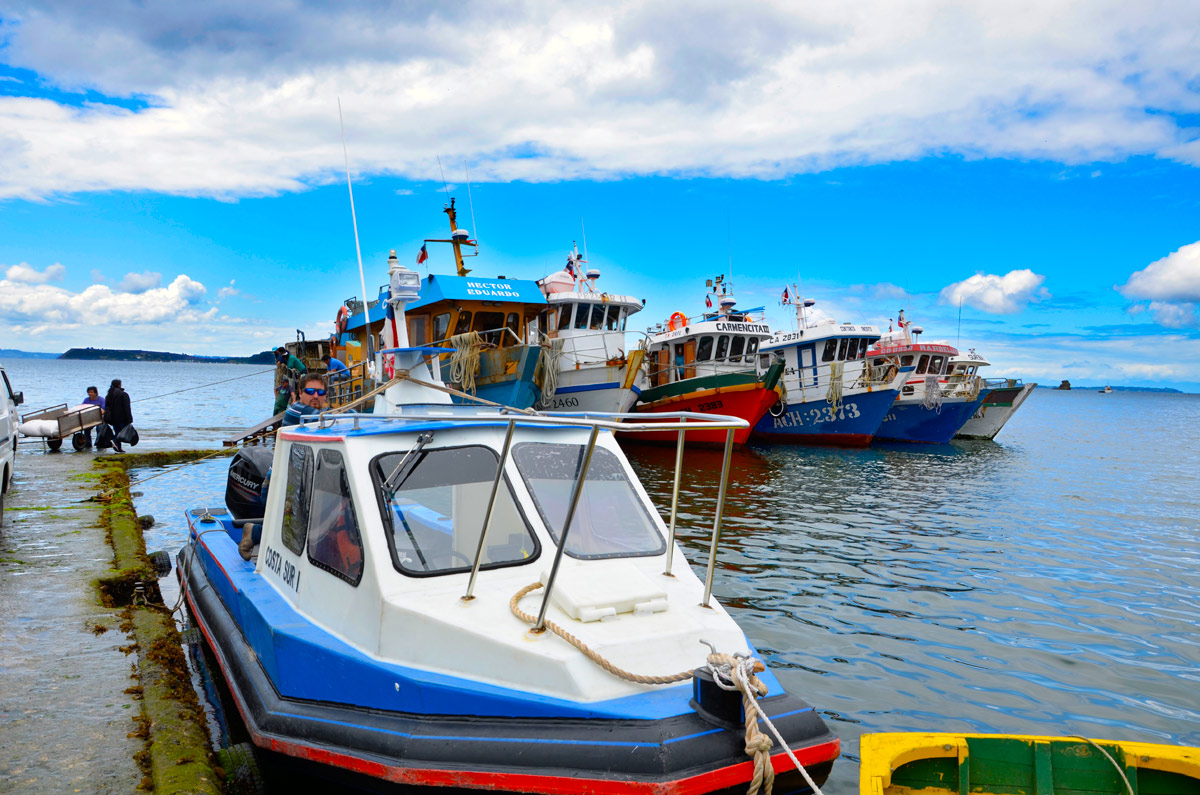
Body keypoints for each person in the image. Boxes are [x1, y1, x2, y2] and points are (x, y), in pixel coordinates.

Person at [104, 379, 133, 453]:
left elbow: (107, 407)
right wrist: (130, 418)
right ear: (119, 385)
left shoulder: (109, 395)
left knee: (117, 432)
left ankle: (118, 448)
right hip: (122, 418)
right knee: (121, 433)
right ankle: (114, 441)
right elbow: (127, 408)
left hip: (112, 418)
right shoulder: (123, 394)